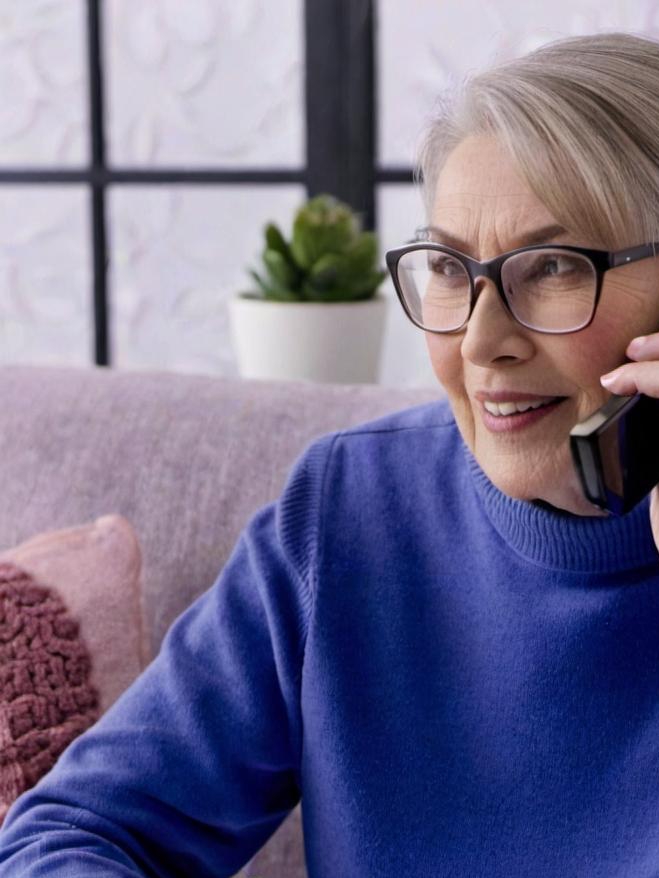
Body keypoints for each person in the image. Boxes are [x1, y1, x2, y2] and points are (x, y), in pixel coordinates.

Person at [3, 29, 659, 877]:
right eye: (451, 270)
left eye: (553, 268)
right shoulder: (352, 505)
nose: (478, 340)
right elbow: (75, 831)